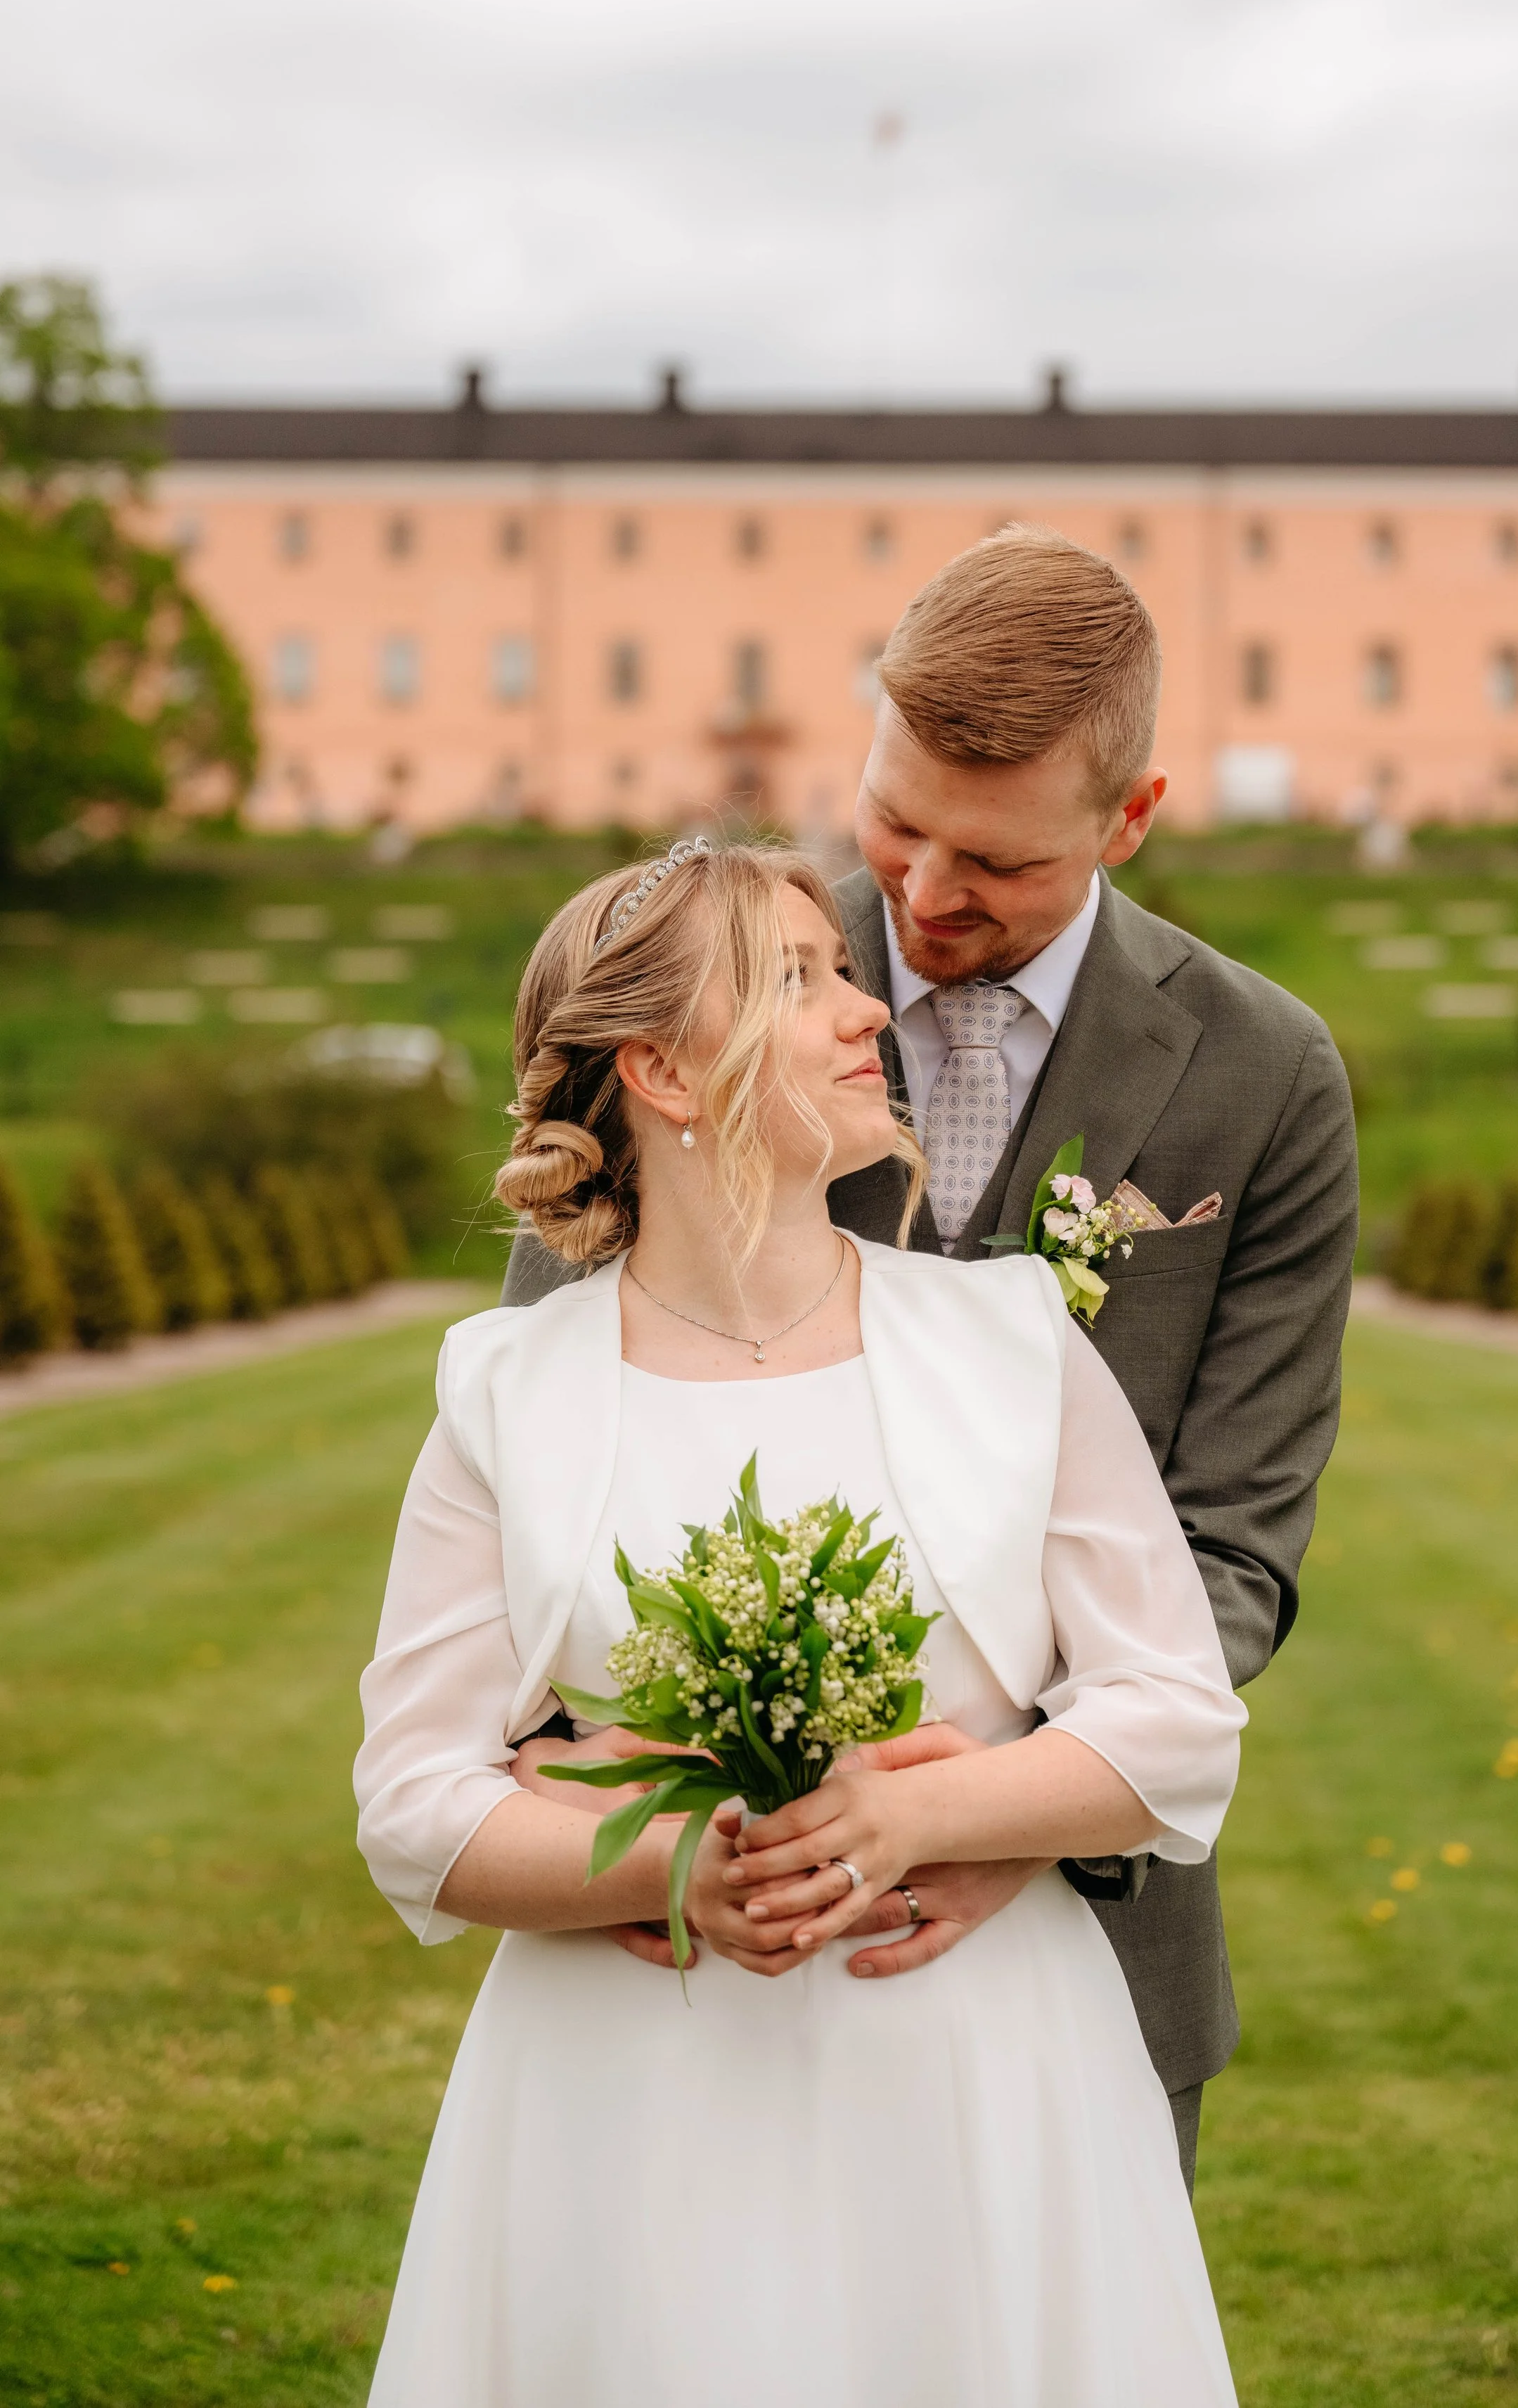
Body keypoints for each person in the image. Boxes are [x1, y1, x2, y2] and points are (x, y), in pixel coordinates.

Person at [503, 527, 1359, 2189]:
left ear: (1129, 818)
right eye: (891, 822)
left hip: (1077, 1940)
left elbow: (1232, 1547)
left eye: (996, 860)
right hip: (690, 1911)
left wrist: (1011, 1809)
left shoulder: (1264, 1076)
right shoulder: (691, 986)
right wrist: (618, 1797)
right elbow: (545, 1430)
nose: (917, 891)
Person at [356, 841, 1246, 2407]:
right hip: (623, 2099)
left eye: (843, 974)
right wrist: (670, 1861)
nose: (866, 1014)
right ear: (661, 1072)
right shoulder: (507, 1393)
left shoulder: (1007, 1337)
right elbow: (412, 1804)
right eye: (797, 979)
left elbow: (1174, 1715)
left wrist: (907, 1816)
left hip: (977, 2069)